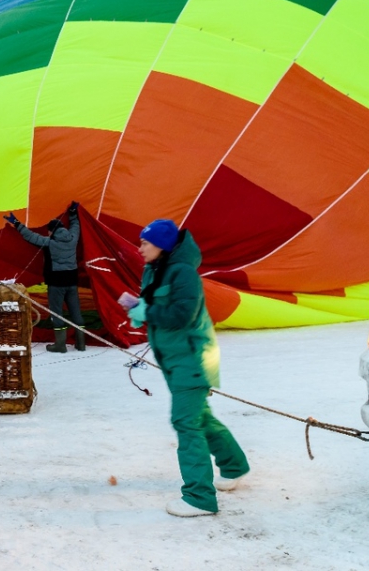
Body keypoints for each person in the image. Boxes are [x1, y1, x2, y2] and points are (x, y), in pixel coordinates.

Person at [122, 218, 250, 517]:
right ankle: (235, 466)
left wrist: (147, 311)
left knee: (185, 422)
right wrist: (139, 310)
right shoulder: (155, 269)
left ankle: (199, 497)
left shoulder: (182, 272)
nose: (140, 248)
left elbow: (182, 314)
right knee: (200, 417)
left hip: (193, 358)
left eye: (145, 242)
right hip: (174, 358)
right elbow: (158, 305)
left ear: (163, 245)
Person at [4, 202, 84, 353]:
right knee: (75, 311)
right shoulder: (73, 238)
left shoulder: (49, 243)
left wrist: (16, 223)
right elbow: (76, 226)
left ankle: (60, 345)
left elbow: (31, 236)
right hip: (72, 282)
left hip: (56, 283)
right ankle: (81, 344)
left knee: (56, 312)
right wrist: (73, 213)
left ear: (51, 231)